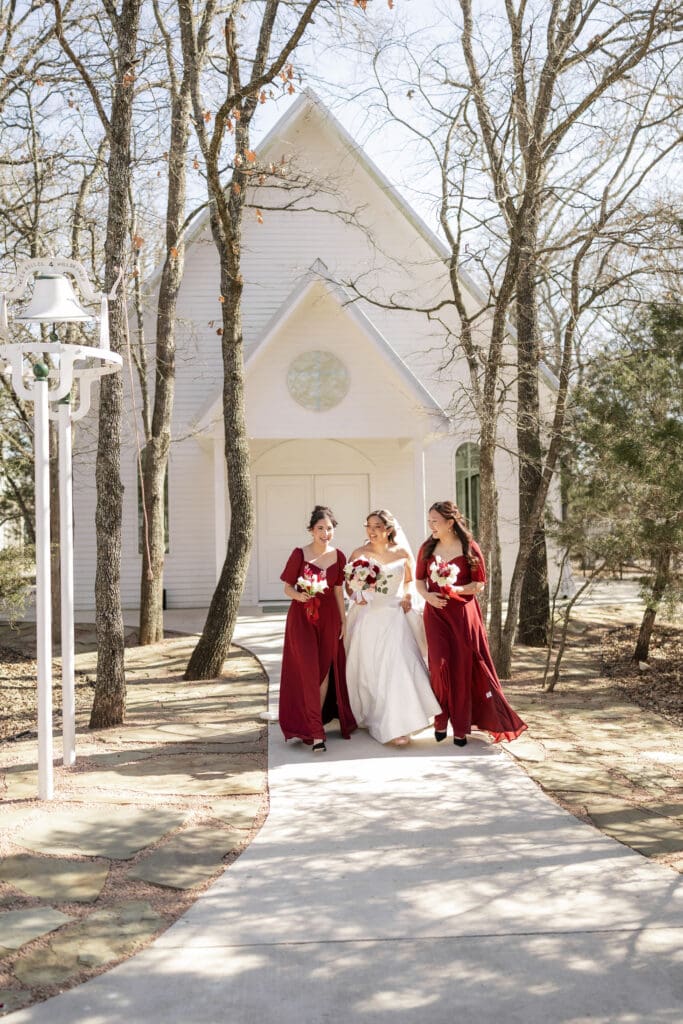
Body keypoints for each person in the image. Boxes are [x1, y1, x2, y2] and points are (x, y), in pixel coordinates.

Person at [416, 500, 527, 746]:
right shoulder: (427, 548)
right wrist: (428, 597)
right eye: (429, 521)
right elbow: (419, 581)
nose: (431, 525)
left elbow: (479, 584)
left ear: (450, 522)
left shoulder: (470, 548)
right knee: (439, 665)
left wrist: (455, 588)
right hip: (435, 614)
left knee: (462, 667)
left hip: (463, 614)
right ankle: (440, 719)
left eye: (435, 521)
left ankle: (461, 727)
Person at [345, 509, 441, 746]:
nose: (371, 530)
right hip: (368, 616)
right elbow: (349, 585)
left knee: (399, 665)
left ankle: (400, 724)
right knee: (371, 670)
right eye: (368, 526)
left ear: (388, 529)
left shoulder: (401, 552)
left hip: (396, 614)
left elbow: (409, 581)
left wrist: (408, 596)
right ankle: (374, 716)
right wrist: (356, 595)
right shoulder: (359, 553)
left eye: (377, 526)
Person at [279, 505, 356, 753]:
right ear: (311, 531)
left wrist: (343, 620)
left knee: (323, 672)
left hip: (329, 619)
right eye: (320, 528)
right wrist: (300, 597)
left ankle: (315, 723)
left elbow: (337, 589)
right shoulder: (299, 554)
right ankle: (315, 732)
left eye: (329, 528)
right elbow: (287, 588)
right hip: (302, 618)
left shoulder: (340, 556)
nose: (325, 533)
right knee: (307, 670)